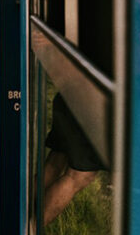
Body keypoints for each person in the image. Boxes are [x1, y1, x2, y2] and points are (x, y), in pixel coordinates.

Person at [42, 94, 103, 225]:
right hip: (94, 106)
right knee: (79, 176)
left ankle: (11, 210)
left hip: (70, 95)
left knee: (54, 166)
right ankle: (26, 234)